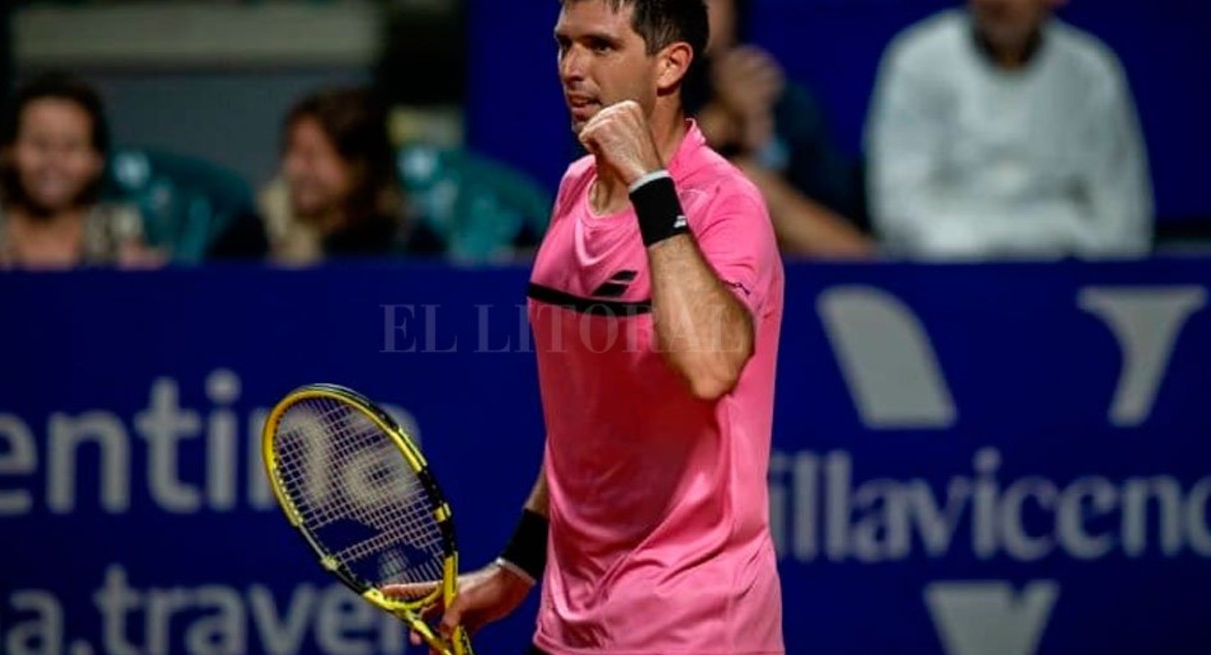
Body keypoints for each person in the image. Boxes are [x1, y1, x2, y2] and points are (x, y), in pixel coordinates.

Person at [393, 1, 785, 653]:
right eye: (563, 45)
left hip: (695, 623)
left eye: (600, 47)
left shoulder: (727, 206)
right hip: (569, 619)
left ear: (671, 65)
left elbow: (711, 366)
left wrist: (650, 184)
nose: (572, 69)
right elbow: (590, 418)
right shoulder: (574, 188)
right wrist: (520, 564)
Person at [865, 0, 1153, 259]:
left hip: (1066, 280)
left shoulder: (1092, 70)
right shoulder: (918, 59)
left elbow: (1122, 217)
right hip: (947, 278)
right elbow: (899, 208)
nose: (998, 3)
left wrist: (1063, 251)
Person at [688, 0, 875, 258]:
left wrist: (762, 145)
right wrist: (717, 123)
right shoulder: (632, 94)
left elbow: (837, 209)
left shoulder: (778, 97)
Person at [0, 73, 159, 270]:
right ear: (7, 152)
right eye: (39, 144)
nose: (53, 162)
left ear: (96, 161)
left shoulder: (118, 228)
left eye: (71, 147)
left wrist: (147, 283)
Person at [208, 87, 438, 264]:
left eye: (311, 156)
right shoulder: (254, 234)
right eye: (289, 151)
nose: (293, 168)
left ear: (358, 167)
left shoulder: (403, 244)